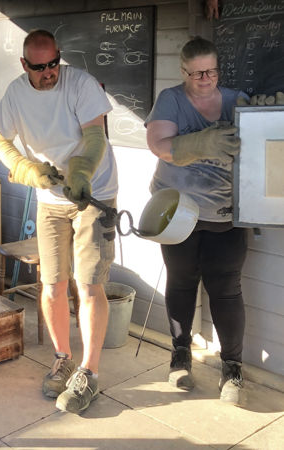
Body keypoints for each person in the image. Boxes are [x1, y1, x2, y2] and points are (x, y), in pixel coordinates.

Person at [0, 29, 118, 414]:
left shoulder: (78, 84)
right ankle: (62, 357)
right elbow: (1, 141)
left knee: (89, 284)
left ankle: (89, 372)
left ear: (58, 57)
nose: (48, 73)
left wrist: (81, 169)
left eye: (53, 64)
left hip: (93, 192)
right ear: (24, 64)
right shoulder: (15, 93)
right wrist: (26, 169)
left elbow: (96, 136)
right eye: (39, 67)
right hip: (50, 198)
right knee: (52, 285)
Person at [145, 36, 249, 405]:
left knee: (226, 289)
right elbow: (158, 144)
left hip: (225, 211)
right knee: (181, 282)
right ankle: (180, 355)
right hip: (178, 213)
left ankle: (232, 368)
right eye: (198, 73)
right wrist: (201, 143)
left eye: (213, 71)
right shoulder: (171, 99)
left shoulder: (238, 101)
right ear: (184, 70)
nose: (207, 78)